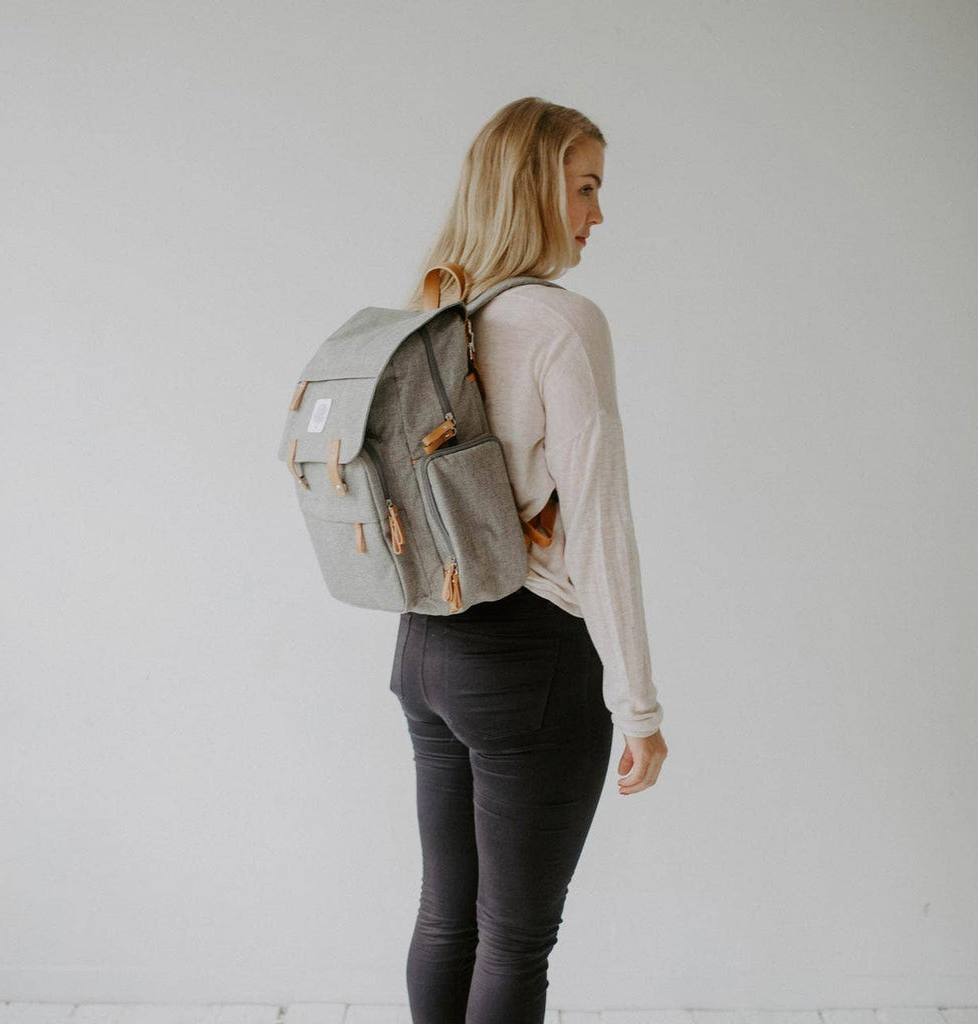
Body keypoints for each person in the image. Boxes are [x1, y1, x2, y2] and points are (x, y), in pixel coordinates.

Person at [390, 96, 669, 1024]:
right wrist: (639, 705)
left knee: (446, 918)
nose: (597, 214)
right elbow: (599, 527)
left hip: (426, 649)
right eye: (585, 188)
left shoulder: (432, 311)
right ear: (534, 191)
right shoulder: (561, 323)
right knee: (513, 940)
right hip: (530, 665)